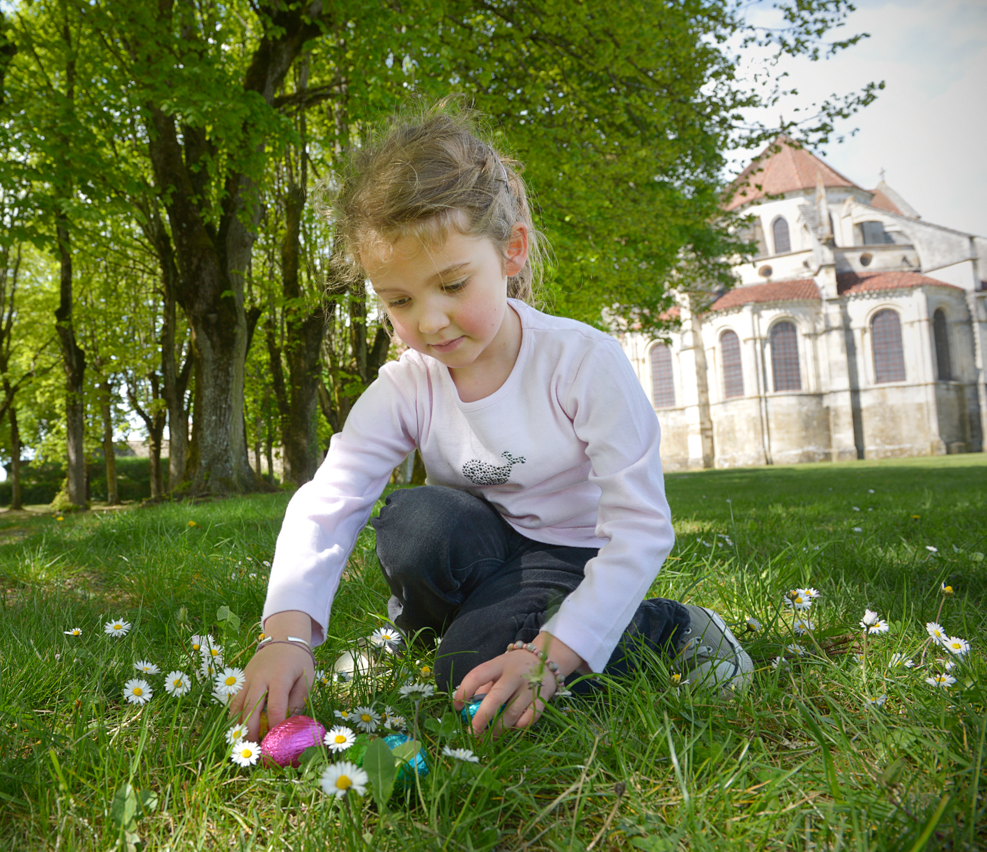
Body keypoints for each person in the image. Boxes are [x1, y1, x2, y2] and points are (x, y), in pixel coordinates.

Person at [232, 105, 752, 740]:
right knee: (416, 521)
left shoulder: (581, 362)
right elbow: (330, 500)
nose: (429, 322)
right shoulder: (408, 383)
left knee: (471, 674)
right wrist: (287, 632)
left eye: (452, 284)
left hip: (571, 557)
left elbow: (639, 527)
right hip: (482, 546)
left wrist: (550, 657)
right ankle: (425, 634)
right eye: (399, 300)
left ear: (511, 251)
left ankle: (670, 627)